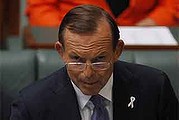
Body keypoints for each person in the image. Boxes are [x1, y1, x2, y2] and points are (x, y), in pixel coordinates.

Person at [10, 5, 178, 120]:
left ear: (117, 50)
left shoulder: (155, 89)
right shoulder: (31, 106)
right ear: (61, 52)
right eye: (77, 60)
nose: (88, 73)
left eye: (99, 60)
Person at [26, 0, 178, 26]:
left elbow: (171, 6)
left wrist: (155, 21)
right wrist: (70, 37)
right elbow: (40, 8)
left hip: (142, 43)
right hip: (76, 43)